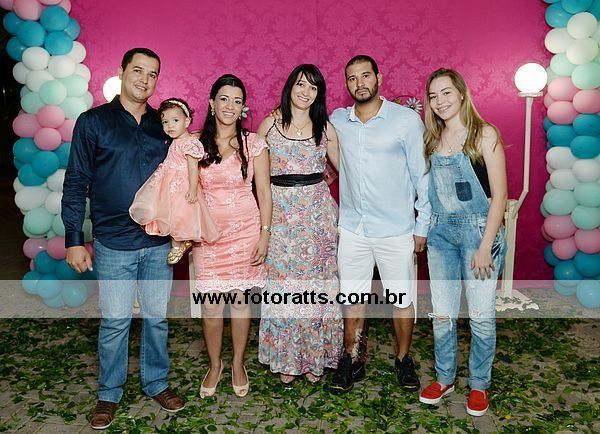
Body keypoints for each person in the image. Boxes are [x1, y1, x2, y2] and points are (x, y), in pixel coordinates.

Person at [61, 48, 185, 430]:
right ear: (122, 72)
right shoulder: (93, 122)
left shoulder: (163, 125)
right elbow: (76, 181)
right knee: (115, 322)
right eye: (138, 70)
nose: (145, 79)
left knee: (156, 319)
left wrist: (183, 230)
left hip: (157, 242)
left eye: (152, 74)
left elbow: (181, 177)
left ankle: (156, 383)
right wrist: (74, 239)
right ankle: (109, 393)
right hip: (113, 242)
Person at [329, 55, 431, 394]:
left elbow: (422, 175)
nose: (359, 83)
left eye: (365, 75)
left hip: (396, 230)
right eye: (352, 78)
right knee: (352, 298)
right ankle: (351, 358)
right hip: (353, 229)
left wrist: (422, 225)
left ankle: (403, 359)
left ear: (379, 78)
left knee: (401, 299)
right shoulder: (338, 120)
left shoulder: (406, 121)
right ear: (347, 84)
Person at [418, 68, 507, 417]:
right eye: (433, 96)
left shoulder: (484, 134)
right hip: (441, 236)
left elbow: (500, 196)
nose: (439, 101)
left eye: (446, 93)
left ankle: (479, 383)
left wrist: (485, 246)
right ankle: (445, 378)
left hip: (478, 234)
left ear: (461, 93)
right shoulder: (432, 140)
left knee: (480, 316)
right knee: (442, 314)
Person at [257, 64, 343, 384]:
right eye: (300, 85)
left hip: (317, 217)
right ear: (290, 87)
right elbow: (255, 174)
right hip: (279, 215)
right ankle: (287, 357)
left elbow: (348, 171)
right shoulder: (270, 124)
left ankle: (314, 357)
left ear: (319, 94)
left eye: (313, 87)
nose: (306, 92)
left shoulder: (326, 128)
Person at [191, 74, 272, 398]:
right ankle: (215, 365)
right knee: (211, 307)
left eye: (237, 101)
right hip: (208, 238)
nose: (230, 106)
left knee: (240, 302)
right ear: (212, 103)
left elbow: (264, 193)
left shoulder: (254, 143)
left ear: (243, 108)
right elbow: (184, 192)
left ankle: (238, 363)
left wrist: (265, 235)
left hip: (245, 233)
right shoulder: (194, 143)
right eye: (224, 99)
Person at [129, 97, 219, 264]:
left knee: (179, 215)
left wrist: (192, 189)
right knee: (168, 214)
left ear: (187, 121)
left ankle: (178, 245)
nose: (170, 126)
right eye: (165, 122)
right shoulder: (175, 141)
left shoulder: (190, 143)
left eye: (175, 120)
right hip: (168, 184)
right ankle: (181, 242)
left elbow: (193, 168)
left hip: (182, 185)